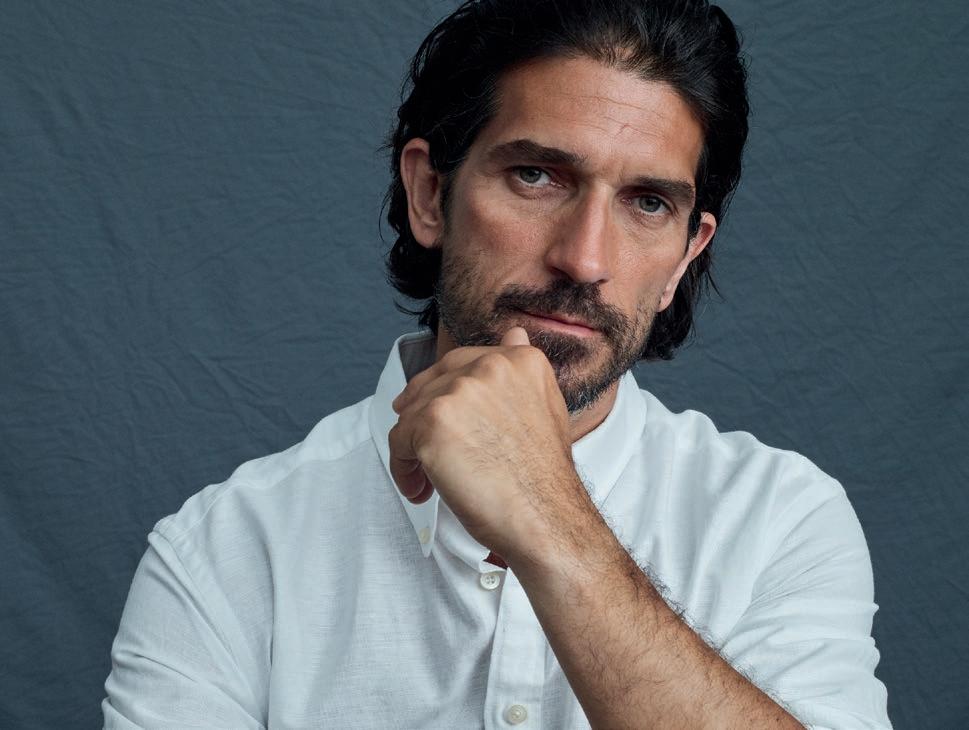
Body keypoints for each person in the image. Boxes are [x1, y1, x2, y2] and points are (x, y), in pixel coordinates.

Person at [103, 1, 892, 727]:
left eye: (647, 202)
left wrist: (550, 519)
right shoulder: (224, 549)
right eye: (536, 176)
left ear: (684, 257)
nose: (584, 259)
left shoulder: (780, 519)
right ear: (428, 193)